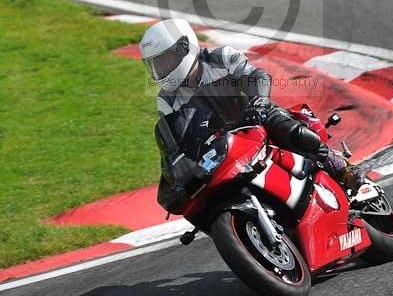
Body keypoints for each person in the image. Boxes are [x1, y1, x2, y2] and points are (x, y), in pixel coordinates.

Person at [140, 18, 362, 212]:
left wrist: (259, 101)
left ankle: (338, 166)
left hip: (254, 116)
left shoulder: (221, 58)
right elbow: (176, 140)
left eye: (165, 61)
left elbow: (257, 76)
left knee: (290, 130)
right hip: (217, 145)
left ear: (184, 48)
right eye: (156, 65)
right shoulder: (166, 101)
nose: (161, 70)